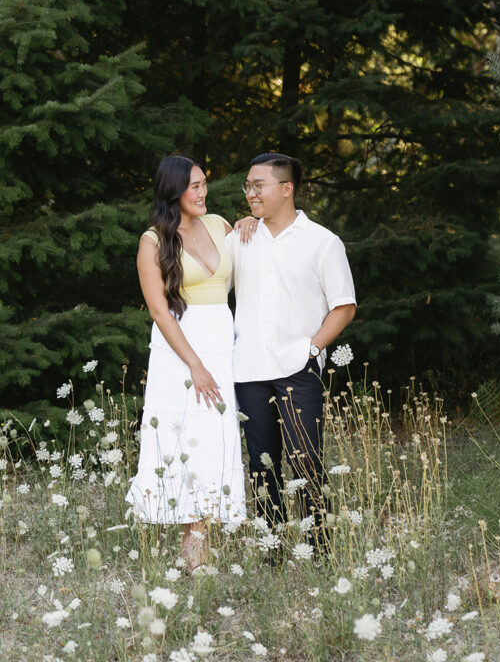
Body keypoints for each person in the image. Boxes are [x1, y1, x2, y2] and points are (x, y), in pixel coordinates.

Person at [226, 152, 356, 540]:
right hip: (248, 369)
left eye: (258, 185)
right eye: (248, 186)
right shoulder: (241, 238)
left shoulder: (323, 242)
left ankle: (320, 546)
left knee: (307, 462)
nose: (251, 193)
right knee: (261, 466)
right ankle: (272, 548)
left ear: (287, 189)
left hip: (298, 367)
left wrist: (312, 350)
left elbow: (344, 306)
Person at [126, 155, 247, 571]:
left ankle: (204, 542)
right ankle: (191, 552)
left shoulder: (219, 226)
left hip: (221, 342)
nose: (202, 192)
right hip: (181, 350)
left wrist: (250, 224)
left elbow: (252, 249)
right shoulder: (153, 241)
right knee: (188, 440)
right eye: (194, 186)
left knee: (217, 437)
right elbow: (160, 311)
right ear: (173, 190)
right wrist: (195, 365)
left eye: (203, 184)